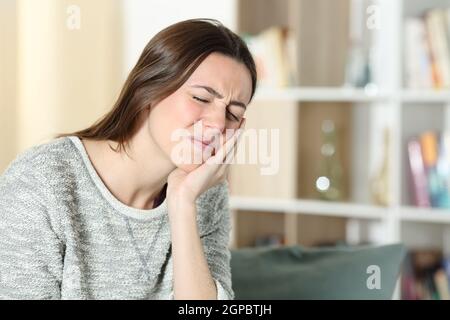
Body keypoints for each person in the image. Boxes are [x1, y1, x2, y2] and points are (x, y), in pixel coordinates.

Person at [0, 18, 257, 299]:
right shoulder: (41, 181)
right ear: (149, 88)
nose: (218, 124)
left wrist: (182, 204)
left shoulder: (203, 192)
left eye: (233, 114)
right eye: (201, 98)